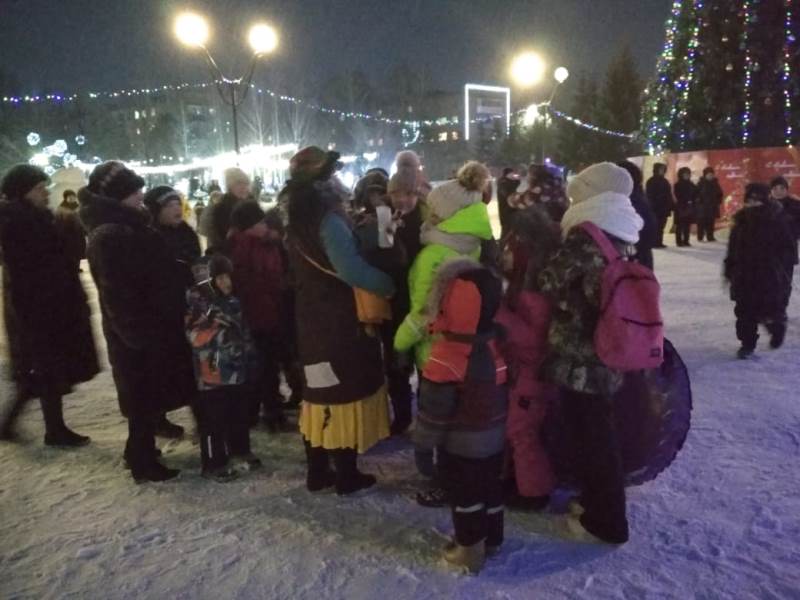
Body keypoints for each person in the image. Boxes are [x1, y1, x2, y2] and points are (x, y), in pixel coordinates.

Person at [539, 162, 644, 545]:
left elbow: (549, 280)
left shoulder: (586, 234)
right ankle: (595, 502)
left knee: (593, 439)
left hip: (581, 354)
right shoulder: (623, 229)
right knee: (598, 432)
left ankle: (606, 521)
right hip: (612, 345)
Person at [286, 146, 396, 495]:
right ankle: (346, 475)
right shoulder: (328, 220)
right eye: (332, 174)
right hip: (338, 321)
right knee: (342, 393)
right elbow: (351, 270)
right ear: (323, 183)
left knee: (319, 393)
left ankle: (317, 471)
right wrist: (388, 285)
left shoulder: (298, 219)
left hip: (311, 318)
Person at [80, 161, 196, 483]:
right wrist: (136, 333)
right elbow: (116, 290)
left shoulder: (127, 225)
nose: (141, 196)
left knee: (145, 395)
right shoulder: (110, 234)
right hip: (137, 328)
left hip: (149, 322)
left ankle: (138, 453)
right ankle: (142, 462)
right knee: (141, 395)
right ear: (119, 196)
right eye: (134, 192)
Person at [394, 161, 494, 507]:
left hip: (436, 354)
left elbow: (425, 311)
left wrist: (400, 342)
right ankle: (458, 477)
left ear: (449, 215)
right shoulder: (474, 244)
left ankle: (442, 479)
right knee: (462, 423)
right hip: (470, 353)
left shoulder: (434, 254)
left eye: (435, 211)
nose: (430, 215)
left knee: (437, 422)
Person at [413, 259, 507, 573]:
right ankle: (492, 538)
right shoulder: (497, 347)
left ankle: (469, 549)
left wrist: (423, 447)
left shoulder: (447, 357)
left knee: (465, 495)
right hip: (494, 442)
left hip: (460, 448)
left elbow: (433, 413)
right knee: (490, 489)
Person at [0, 165, 99, 445]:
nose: (45, 192)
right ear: (22, 193)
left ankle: (22, 425)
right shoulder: (19, 223)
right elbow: (30, 272)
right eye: (38, 188)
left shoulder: (37, 218)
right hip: (38, 309)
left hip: (47, 305)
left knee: (42, 370)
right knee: (45, 368)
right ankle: (53, 430)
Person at [495, 207, 560, 511]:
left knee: (522, 431)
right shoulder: (527, 279)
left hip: (532, 373)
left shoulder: (537, 287)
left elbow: (534, 339)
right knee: (517, 428)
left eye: (513, 243)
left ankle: (534, 492)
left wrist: (498, 313)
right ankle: (519, 480)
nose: (507, 250)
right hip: (522, 369)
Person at [185, 255, 261, 482]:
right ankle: (213, 462)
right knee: (213, 419)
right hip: (213, 370)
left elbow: (244, 333)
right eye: (220, 278)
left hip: (236, 367)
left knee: (239, 411)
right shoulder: (199, 306)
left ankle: (240, 449)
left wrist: (250, 356)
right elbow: (195, 336)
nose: (226, 282)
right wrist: (217, 327)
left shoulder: (233, 302)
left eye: (228, 277)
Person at [228, 200, 293, 432]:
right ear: (249, 226)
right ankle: (268, 412)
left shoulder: (265, 243)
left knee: (268, 365)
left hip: (270, 311)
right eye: (260, 222)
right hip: (258, 315)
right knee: (263, 367)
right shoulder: (243, 247)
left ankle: (268, 409)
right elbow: (251, 283)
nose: (265, 225)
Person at [144, 185, 203, 438]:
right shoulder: (150, 237)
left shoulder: (186, 233)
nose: (176, 208)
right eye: (169, 205)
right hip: (162, 313)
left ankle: (201, 416)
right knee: (165, 368)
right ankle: (158, 417)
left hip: (189, 306)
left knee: (194, 364)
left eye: (178, 203)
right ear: (156, 211)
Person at [724, 183, 798, 359]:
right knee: (744, 311)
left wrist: (781, 266)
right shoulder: (740, 221)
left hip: (768, 275)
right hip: (743, 274)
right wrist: (729, 268)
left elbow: (789, 248)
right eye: (750, 200)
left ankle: (777, 328)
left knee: (769, 309)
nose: (753, 204)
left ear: (765, 200)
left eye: (757, 200)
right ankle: (747, 344)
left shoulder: (777, 220)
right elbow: (732, 248)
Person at [200, 168, 252, 254]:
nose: (243, 187)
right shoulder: (222, 209)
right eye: (238, 184)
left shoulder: (252, 205)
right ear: (230, 187)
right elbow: (219, 240)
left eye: (246, 184)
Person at [618, 161, 657, 270]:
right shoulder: (637, 197)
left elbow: (647, 233)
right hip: (639, 260)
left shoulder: (631, 201)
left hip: (634, 262)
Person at [54, 189, 87, 275]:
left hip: (77, 234)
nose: (72, 198)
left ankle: (77, 267)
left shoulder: (77, 207)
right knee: (71, 251)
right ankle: (72, 267)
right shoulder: (62, 209)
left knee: (78, 251)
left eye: (73, 196)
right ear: (66, 198)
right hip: (68, 234)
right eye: (70, 197)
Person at [645, 163, 673, 248]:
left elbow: (669, 194)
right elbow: (649, 195)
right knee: (655, 226)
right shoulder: (651, 181)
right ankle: (653, 242)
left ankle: (659, 242)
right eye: (660, 169)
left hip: (664, 208)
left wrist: (670, 205)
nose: (662, 171)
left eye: (663, 170)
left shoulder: (665, 181)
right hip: (655, 208)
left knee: (661, 226)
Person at [696, 167, 724, 242]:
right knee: (701, 223)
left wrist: (718, 201)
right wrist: (699, 200)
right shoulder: (701, 183)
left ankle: (710, 237)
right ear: (705, 175)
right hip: (702, 207)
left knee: (711, 222)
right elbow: (696, 193)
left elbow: (720, 194)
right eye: (709, 175)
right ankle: (700, 237)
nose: (710, 176)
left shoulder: (715, 183)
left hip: (712, 206)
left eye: (711, 175)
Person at [673, 167, 696, 247]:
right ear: (681, 175)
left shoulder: (691, 184)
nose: (687, 176)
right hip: (681, 207)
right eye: (685, 174)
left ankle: (686, 240)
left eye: (688, 174)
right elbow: (678, 195)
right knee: (680, 225)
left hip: (689, 207)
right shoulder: (677, 184)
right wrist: (686, 200)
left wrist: (692, 200)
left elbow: (696, 193)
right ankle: (679, 241)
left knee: (687, 225)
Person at [496, 167, 522, 239]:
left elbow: (515, 185)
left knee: (511, 228)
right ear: (508, 174)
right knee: (506, 228)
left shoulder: (508, 182)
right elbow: (507, 193)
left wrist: (517, 180)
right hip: (505, 209)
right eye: (512, 173)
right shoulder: (503, 183)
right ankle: (503, 243)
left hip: (511, 209)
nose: (513, 175)